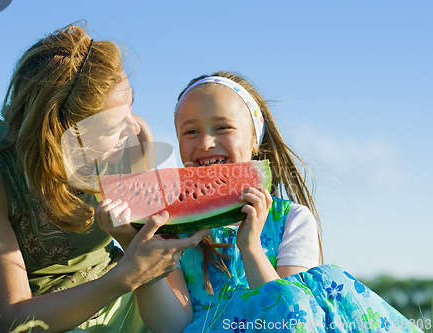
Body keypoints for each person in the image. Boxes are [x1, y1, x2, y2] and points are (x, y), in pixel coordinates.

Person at [0, 24, 207, 333]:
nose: (134, 128)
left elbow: (143, 249)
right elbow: (11, 318)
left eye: (131, 107)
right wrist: (126, 276)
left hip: (114, 285)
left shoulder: (133, 141)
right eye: (112, 126)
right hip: (39, 315)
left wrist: (140, 252)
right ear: (59, 129)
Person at [131, 71, 422, 332]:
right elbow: (171, 326)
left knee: (318, 283)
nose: (206, 143)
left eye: (222, 128)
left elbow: (292, 314)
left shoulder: (292, 220)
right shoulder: (172, 227)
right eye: (190, 131)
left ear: (254, 140)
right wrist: (140, 253)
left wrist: (250, 246)